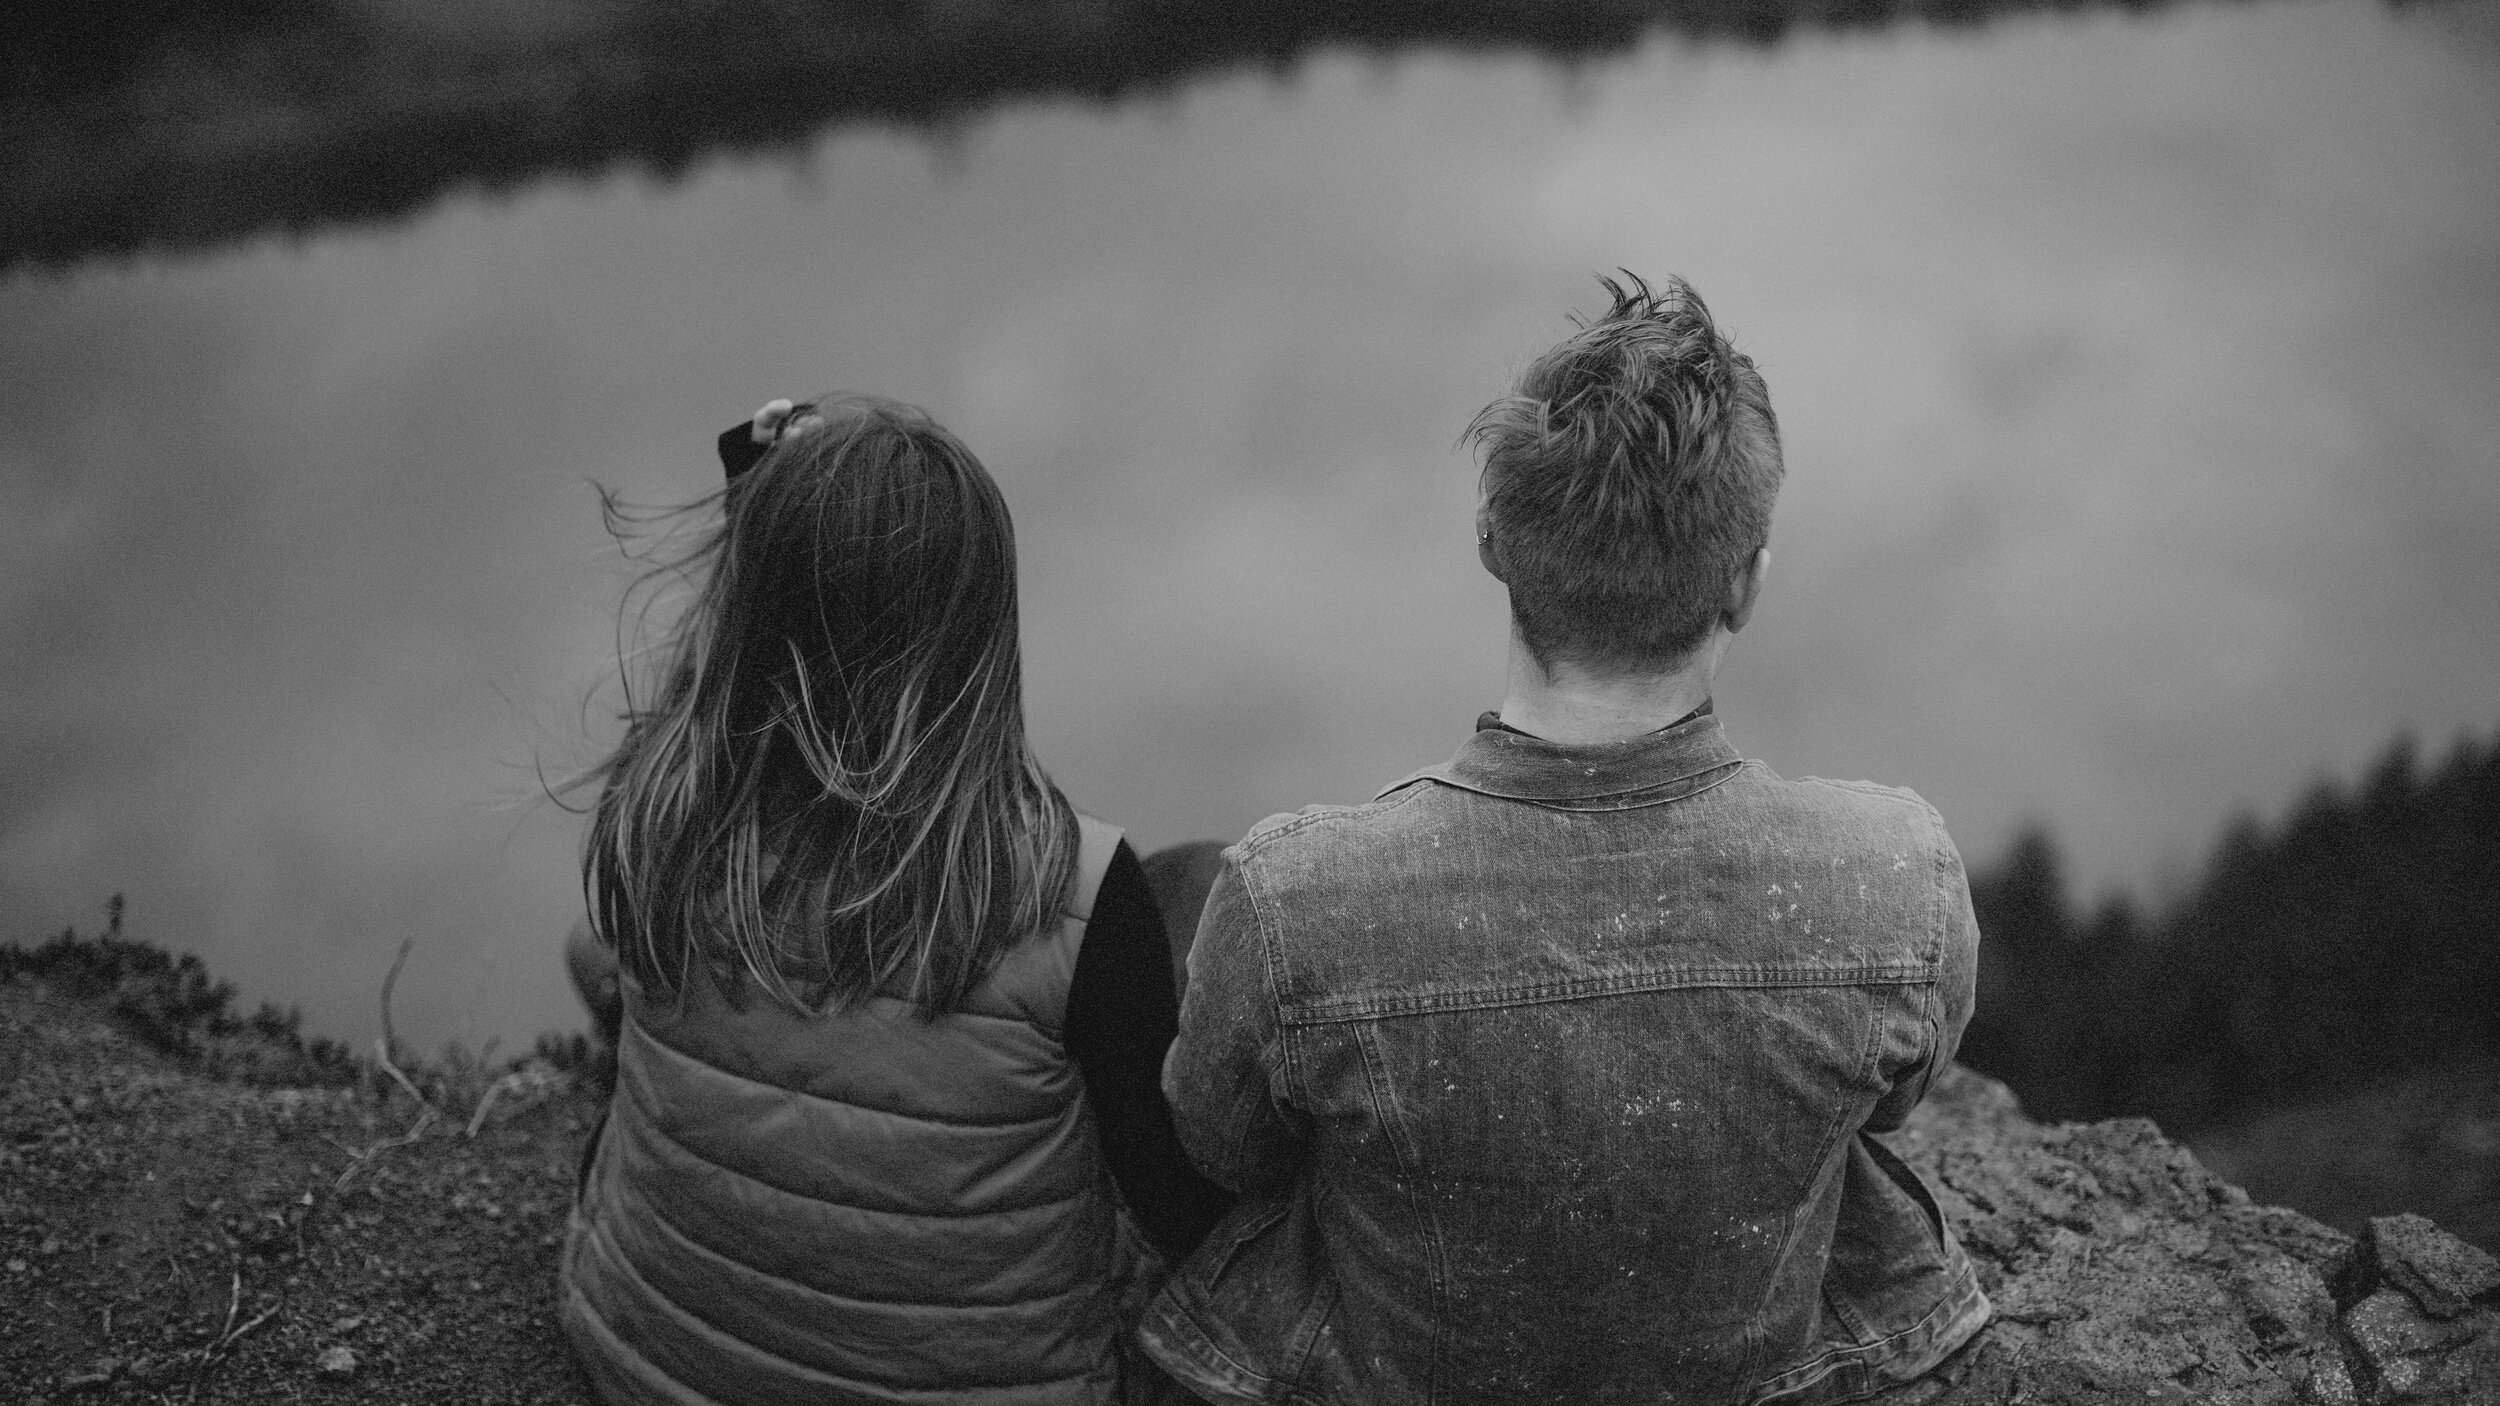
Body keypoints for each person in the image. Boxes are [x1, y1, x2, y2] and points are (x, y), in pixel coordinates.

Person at [1137, 274, 1989, 1405]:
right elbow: (1885, 1105)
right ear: (1743, 583)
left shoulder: (1291, 899)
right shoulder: (1897, 878)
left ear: (1493, 541)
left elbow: (1224, 1147)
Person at [559, 395, 1228, 1405]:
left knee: (592, 949)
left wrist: (768, 490)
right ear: (980, 627)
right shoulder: (1077, 892)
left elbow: (721, 669)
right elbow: (1180, 1216)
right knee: (1204, 878)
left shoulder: (658, 808)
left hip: (644, 1365)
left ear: (749, 608)